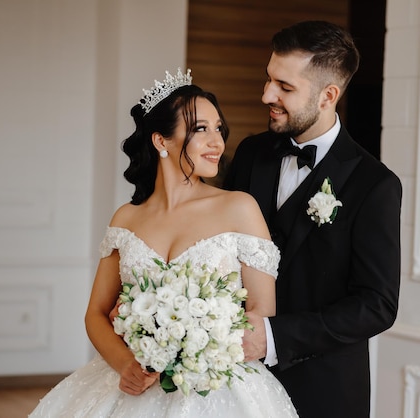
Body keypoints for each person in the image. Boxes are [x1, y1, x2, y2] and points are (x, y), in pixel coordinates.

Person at [29, 69, 298, 417]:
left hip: (219, 390)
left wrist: (196, 344)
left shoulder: (239, 208)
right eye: (201, 129)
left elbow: (262, 311)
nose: (217, 142)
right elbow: (96, 313)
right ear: (161, 141)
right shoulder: (126, 218)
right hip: (132, 386)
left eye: (219, 129)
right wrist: (125, 363)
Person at [223, 21, 402, 417]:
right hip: (233, 384)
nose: (266, 94)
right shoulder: (251, 153)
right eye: (269, 79)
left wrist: (272, 337)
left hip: (324, 390)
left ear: (328, 96)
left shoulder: (375, 185)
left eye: (285, 88)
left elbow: (377, 305)